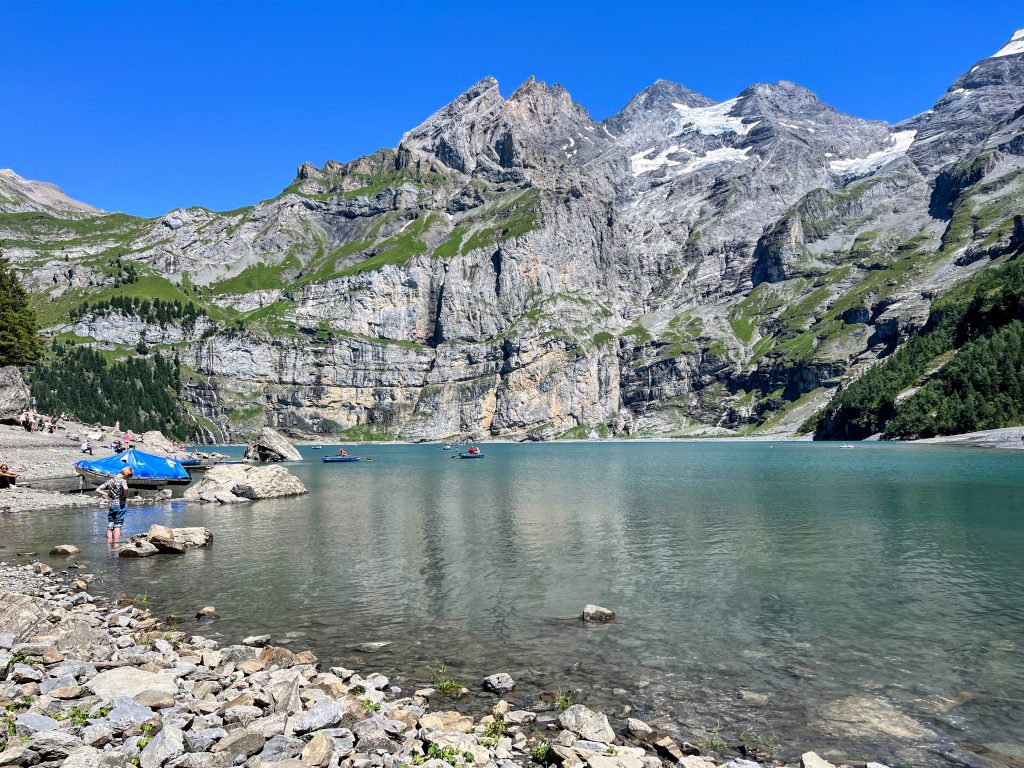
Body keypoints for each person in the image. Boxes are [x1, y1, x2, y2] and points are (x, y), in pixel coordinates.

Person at [95, 466, 134, 544]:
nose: (127, 479)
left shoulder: (110, 480)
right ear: (126, 475)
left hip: (112, 505)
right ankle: (116, 546)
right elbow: (125, 488)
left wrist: (106, 494)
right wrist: (124, 496)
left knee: (110, 525)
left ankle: (108, 545)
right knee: (118, 526)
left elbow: (97, 489)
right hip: (121, 505)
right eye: (128, 477)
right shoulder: (123, 481)